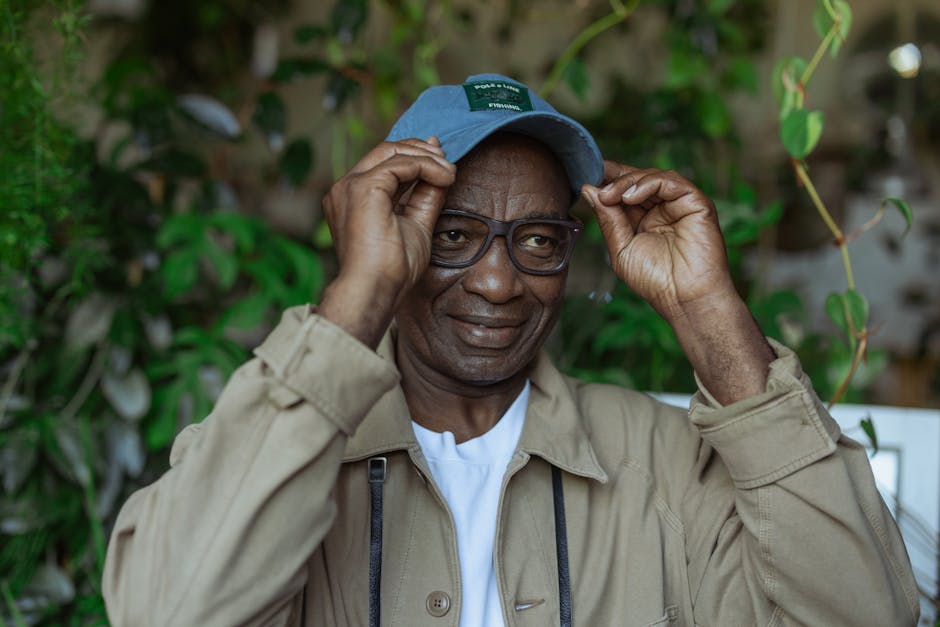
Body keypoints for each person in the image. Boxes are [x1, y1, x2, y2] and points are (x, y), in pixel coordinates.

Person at [102, 73, 919, 626]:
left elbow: (866, 613)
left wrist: (708, 309)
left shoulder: (662, 466)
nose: (499, 281)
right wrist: (358, 295)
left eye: (536, 239)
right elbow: (167, 610)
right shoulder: (283, 453)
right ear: (388, 236)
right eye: (453, 234)